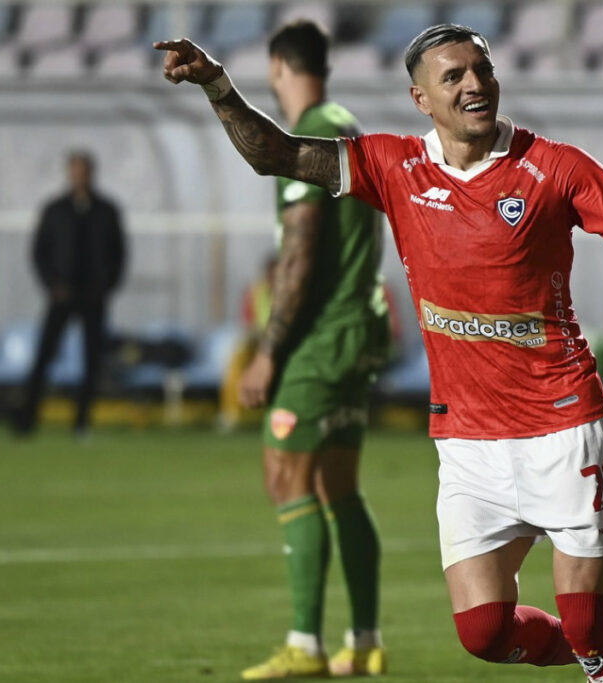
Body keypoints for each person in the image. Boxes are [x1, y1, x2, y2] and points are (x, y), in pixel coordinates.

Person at [155, 24, 603, 682]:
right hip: (468, 440)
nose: (475, 84)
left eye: (483, 69)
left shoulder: (552, 167)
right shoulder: (393, 165)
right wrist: (217, 83)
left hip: (563, 425)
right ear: (422, 98)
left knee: (586, 620)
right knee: (482, 632)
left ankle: (596, 642)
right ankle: (592, 644)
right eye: (454, 76)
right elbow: (274, 154)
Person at [222, 22, 392, 680]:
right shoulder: (348, 123)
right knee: (340, 485)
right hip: (359, 330)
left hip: (320, 338)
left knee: (286, 476)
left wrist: (269, 349)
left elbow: (298, 249)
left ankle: (306, 644)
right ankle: (366, 640)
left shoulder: (308, 132)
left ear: (276, 67)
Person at [14, 150, 126, 437]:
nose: (79, 177)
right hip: (60, 295)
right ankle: (27, 420)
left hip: (93, 297)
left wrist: (105, 286)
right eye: (75, 171)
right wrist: (53, 285)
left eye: (84, 171)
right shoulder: (55, 210)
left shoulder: (107, 210)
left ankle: (81, 422)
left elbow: (119, 254)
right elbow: (39, 252)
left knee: (91, 360)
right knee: (44, 357)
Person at [219, 254, 277, 430]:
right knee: (237, 356)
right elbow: (248, 322)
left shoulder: (292, 291)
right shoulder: (256, 292)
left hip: (281, 342)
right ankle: (232, 414)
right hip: (259, 342)